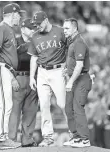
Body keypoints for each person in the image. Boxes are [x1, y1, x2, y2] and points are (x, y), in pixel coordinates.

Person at [0, 3, 25, 150]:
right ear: (12, 14)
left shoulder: (9, 30)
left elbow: (11, 52)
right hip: (1, 69)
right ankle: (0, 140)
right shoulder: (2, 27)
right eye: (18, 14)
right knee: (4, 105)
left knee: (7, 105)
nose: (20, 17)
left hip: (6, 70)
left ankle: (1, 139)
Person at [28, 11, 67, 147]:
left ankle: (75, 134)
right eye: (35, 25)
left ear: (46, 20)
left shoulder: (61, 31)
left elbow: (72, 49)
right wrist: (32, 76)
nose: (37, 26)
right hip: (42, 72)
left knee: (63, 104)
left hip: (58, 70)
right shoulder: (35, 36)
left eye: (39, 24)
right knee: (44, 105)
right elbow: (33, 57)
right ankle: (48, 137)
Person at [8, 18, 38, 147]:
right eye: (30, 28)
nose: (33, 30)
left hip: (33, 79)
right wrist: (12, 78)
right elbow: (7, 61)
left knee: (30, 111)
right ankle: (11, 140)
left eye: (34, 28)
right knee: (15, 111)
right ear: (23, 29)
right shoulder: (15, 42)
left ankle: (27, 140)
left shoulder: (37, 41)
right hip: (18, 78)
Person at [63, 18, 92, 148]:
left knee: (77, 109)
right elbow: (74, 63)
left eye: (67, 28)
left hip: (80, 79)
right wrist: (67, 70)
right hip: (74, 79)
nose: (64, 31)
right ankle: (76, 137)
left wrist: (70, 81)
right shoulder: (72, 42)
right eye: (63, 28)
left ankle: (84, 139)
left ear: (75, 28)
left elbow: (79, 66)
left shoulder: (79, 42)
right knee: (69, 109)